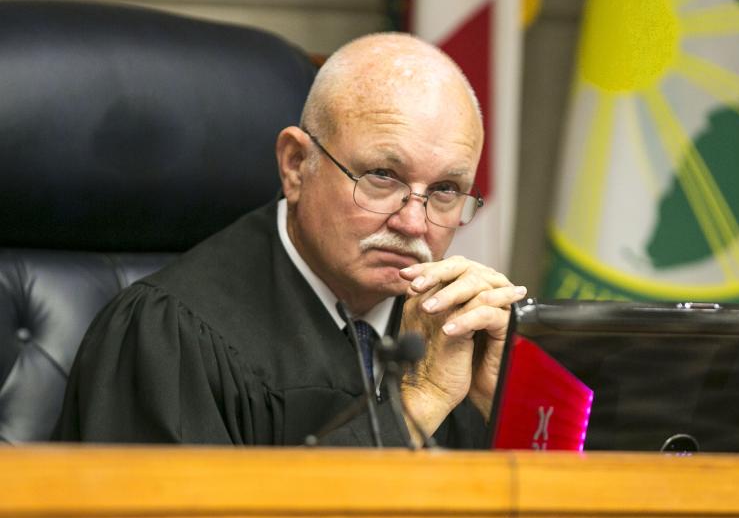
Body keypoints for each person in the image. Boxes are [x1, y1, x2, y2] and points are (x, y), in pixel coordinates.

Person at [55, 32, 527, 447]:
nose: (414, 223)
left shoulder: (458, 329)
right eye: (382, 176)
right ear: (296, 166)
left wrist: (509, 412)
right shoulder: (168, 337)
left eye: (445, 191)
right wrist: (414, 409)